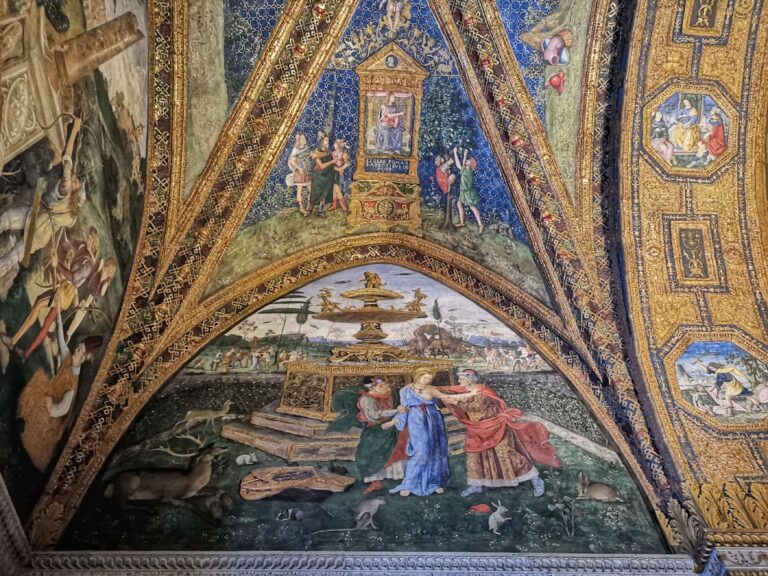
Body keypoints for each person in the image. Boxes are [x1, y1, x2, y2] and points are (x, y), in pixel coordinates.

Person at [441, 369, 560, 497]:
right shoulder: (467, 390)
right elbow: (450, 391)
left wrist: (455, 402)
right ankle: (476, 485)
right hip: (477, 429)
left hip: (495, 427)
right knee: (475, 457)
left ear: (470, 379)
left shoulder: (483, 391)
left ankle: (536, 479)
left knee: (506, 454)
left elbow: (476, 407)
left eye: (462, 378)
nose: (459, 380)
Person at [382, 368, 473, 496]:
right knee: (421, 451)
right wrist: (393, 422)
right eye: (425, 378)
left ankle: (434, 483)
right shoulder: (406, 390)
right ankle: (409, 484)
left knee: (435, 450)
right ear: (417, 377)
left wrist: (470, 394)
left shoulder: (432, 389)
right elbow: (403, 409)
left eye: (429, 379)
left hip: (433, 419)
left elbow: (448, 397)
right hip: (416, 420)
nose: (427, 381)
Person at [355, 378, 409, 495]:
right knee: (366, 454)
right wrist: (396, 411)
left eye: (385, 384)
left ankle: (404, 478)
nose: (385, 386)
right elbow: (375, 415)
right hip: (375, 430)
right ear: (372, 387)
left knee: (397, 450)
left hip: (391, 428)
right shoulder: (366, 399)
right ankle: (375, 482)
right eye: (381, 385)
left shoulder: (390, 396)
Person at [305, 133, 337, 218]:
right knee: (315, 193)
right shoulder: (317, 152)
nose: (327, 142)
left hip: (327, 175)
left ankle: (320, 211)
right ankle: (310, 210)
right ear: (321, 141)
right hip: (318, 176)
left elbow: (333, 163)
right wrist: (332, 161)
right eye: (326, 140)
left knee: (324, 194)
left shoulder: (328, 152)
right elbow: (321, 166)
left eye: (328, 141)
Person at [453, 147, 484, 234]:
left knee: (472, 207)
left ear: (470, 165)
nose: (467, 161)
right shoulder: (467, 169)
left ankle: (480, 225)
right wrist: (465, 155)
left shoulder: (467, 171)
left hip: (467, 193)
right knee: (459, 204)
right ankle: (462, 222)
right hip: (464, 191)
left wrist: (455, 153)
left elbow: (459, 164)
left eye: (468, 161)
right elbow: (463, 164)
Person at [286, 133, 312, 215]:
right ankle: (301, 207)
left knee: (311, 189)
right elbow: (292, 161)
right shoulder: (295, 150)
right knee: (299, 190)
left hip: (307, 171)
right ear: (299, 140)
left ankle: (309, 206)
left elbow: (308, 157)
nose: (305, 140)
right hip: (300, 173)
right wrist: (299, 168)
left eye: (305, 138)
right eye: (303, 139)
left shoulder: (307, 148)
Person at [328, 138, 350, 212]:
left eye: (336, 143)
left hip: (339, 174)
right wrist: (336, 168)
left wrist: (341, 169)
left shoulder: (344, 153)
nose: (334, 145)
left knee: (337, 189)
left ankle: (344, 206)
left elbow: (348, 163)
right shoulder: (333, 153)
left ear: (339, 144)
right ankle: (334, 205)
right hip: (333, 172)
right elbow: (331, 163)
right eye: (334, 143)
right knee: (334, 190)